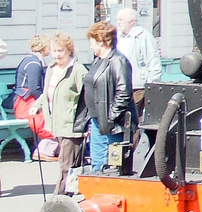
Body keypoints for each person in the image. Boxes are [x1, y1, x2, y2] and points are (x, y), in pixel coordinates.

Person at [30, 33, 87, 196]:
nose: (57, 54)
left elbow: (88, 97)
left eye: (61, 50)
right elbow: (48, 93)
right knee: (66, 164)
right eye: (54, 51)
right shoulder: (51, 68)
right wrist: (37, 106)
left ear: (69, 50)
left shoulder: (77, 70)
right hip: (57, 124)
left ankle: (58, 198)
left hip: (71, 125)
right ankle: (64, 197)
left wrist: (85, 124)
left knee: (65, 164)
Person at [83, 21, 134, 173]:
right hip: (97, 120)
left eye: (92, 42)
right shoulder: (97, 61)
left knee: (111, 165)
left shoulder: (118, 60)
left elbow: (124, 92)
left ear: (101, 41)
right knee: (97, 163)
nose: (90, 46)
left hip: (112, 124)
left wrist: (111, 117)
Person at [3, 34, 53, 142]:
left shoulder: (30, 59)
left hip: (24, 99)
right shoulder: (34, 63)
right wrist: (45, 101)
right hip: (25, 102)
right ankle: (47, 147)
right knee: (43, 118)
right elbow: (34, 88)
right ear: (44, 47)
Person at [115, 7, 161, 118]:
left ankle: (133, 136)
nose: (118, 22)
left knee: (133, 119)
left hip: (137, 87)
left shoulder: (144, 36)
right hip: (120, 85)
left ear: (131, 21)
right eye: (117, 19)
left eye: (121, 20)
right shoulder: (118, 36)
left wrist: (151, 87)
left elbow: (153, 62)